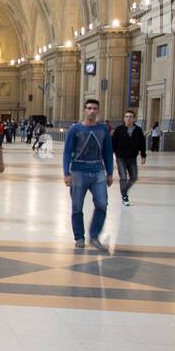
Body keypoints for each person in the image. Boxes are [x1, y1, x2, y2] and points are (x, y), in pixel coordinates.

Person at [62, 98, 114, 250]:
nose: (92, 111)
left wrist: (109, 172)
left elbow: (108, 152)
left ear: (98, 111)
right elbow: (67, 152)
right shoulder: (75, 129)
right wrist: (66, 172)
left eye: (95, 109)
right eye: (89, 108)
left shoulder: (103, 129)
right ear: (84, 110)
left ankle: (94, 235)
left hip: (98, 172)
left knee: (102, 204)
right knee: (77, 206)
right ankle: (79, 237)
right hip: (78, 171)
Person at [112, 109, 147, 206]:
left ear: (134, 119)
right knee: (123, 177)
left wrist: (143, 155)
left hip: (132, 158)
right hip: (121, 157)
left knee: (134, 177)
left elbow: (142, 143)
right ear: (124, 118)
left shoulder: (138, 130)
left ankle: (124, 190)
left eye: (130, 117)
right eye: (126, 117)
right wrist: (112, 154)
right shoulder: (119, 130)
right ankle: (124, 196)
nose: (128, 118)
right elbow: (113, 143)